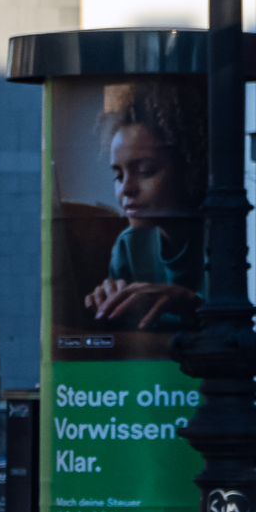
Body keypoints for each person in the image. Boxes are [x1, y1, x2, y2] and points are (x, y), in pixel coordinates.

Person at [84, 83, 205, 331]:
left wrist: (187, 301)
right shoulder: (128, 246)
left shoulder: (219, 240)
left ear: (189, 170)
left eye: (145, 171)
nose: (126, 189)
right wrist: (108, 303)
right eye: (118, 176)